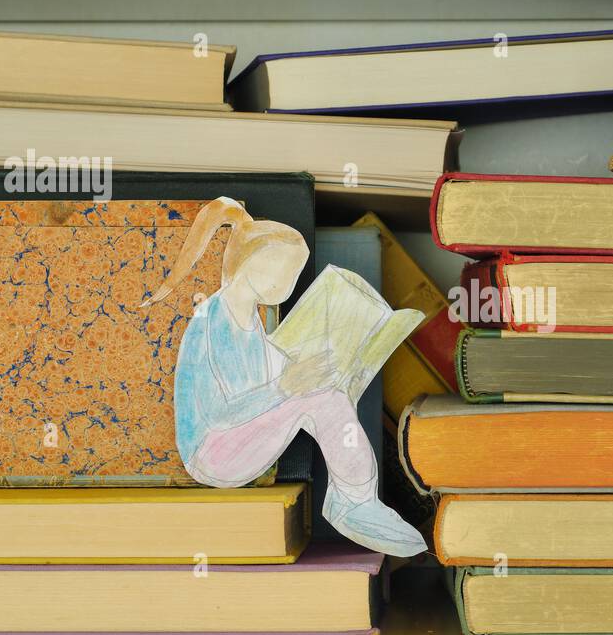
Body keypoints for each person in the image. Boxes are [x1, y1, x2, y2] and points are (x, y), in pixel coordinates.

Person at [141, 197, 427, 557]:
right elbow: (219, 411)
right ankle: (354, 501)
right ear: (252, 261)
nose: (287, 283)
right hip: (212, 451)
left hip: (236, 439)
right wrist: (286, 386)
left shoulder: (252, 321)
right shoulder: (213, 318)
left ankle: (356, 498)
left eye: (292, 274)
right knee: (324, 399)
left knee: (329, 390)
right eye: (283, 271)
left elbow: (273, 380)